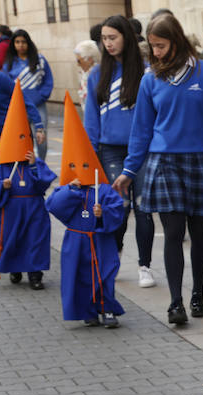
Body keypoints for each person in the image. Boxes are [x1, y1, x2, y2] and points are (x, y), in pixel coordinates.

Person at [111, 13, 203, 325]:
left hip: (201, 160)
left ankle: (199, 295)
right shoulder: (150, 79)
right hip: (163, 162)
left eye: (160, 45)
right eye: (152, 46)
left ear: (176, 41)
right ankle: (176, 301)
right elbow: (141, 130)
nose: (156, 52)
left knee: (200, 232)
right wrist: (129, 170)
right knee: (174, 233)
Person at [85, 15, 157, 289]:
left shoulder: (147, 73)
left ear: (126, 37)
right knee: (119, 206)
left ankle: (145, 265)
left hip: (144, 149)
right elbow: (91, 120)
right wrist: (90, 155)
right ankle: (114, 253)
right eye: (104, 38)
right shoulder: (96, 74)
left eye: (113, 37)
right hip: (111, 150)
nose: (108, 43)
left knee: (144, 208)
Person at [47, 94, 126, 328]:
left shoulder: (103, 188)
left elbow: (117, 209)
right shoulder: (69, 189)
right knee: (79, 277)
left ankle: (107, 309)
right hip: (76, 240)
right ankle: (87, 311)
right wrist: (70, 191)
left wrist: (103, 215)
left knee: (104, 275)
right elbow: (53, 205)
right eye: (74, 167)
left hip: (100, 240)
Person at [0, 119, 57, 290]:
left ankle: (35, 274)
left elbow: (44, 183)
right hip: (12, 208)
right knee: (13, 239)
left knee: (35, 240)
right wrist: (2, 185)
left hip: (35, 207)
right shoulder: (2, 166)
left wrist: (33, 166)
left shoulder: (36, 163)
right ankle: (14, 269)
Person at [4, 30, 54, 160]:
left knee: (41, 138)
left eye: (24, 42)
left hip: (38, 105)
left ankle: (41, 164)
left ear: (29, 43)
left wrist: (40, 96)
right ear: (13, 44)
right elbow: (6, 86)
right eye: (17, 42)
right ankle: (28, 167)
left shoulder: (40, 60)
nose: (21, 45)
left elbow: (48, 81)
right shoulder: (9, 63)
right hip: (19, 108)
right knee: (23, 138)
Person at [73, 40, 100, 107]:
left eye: (79, 61)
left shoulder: (97, 75)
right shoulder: (84, 73)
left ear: (89, 59)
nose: (78, 64)